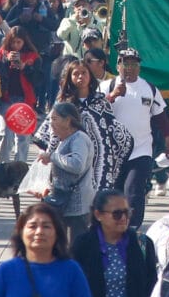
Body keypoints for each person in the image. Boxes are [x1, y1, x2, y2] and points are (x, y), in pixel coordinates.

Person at [72, 189, 157, 297]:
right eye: (117, 214)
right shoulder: (82, 245)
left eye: (127, 212)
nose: (124, 218)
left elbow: (152, 290)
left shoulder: (142, 244)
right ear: (98, 214)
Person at [36, 59, 133, 198]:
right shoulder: (63, 104)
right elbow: (49, 131)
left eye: (84, 73)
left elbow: (111, 129)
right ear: (69, 77)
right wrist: (47, 154)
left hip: (98, 161)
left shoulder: (101, 102)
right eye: (76, 74)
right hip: (68, 159)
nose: (80, 76)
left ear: (90, 76)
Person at [107, 48, 169, 228]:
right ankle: (114, 228)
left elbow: (160, 117)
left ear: (139, 67)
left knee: (133, 192)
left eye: (134, 64)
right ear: (118, 66)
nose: (130, 68)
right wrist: (112, 96)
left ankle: (133, 228)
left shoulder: (149, 88)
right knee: (115, 193)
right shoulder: (107, 86)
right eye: (125, 64)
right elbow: (96, 112)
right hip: (114, 153)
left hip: (140, 150)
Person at [39, 102, 96, 240]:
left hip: (77, 206)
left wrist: (52, 156)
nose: (51, 123)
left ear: (68, 120)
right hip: (64, 204)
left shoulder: (79, 139)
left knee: (75, 249)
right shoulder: (65, 140)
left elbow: (77, 165)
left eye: (54, 119)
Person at [0, 26, 43, 163]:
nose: (16, 46)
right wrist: (5, 61)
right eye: (13, 42)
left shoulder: (33, 57)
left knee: (23, 136)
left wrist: (25, 67)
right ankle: (3, 165)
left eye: (19, 42)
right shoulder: (1, 54)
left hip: (25, 99)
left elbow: (38, 80)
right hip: (7, 98)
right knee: (5, 134)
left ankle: (20, 168)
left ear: (24, 42)